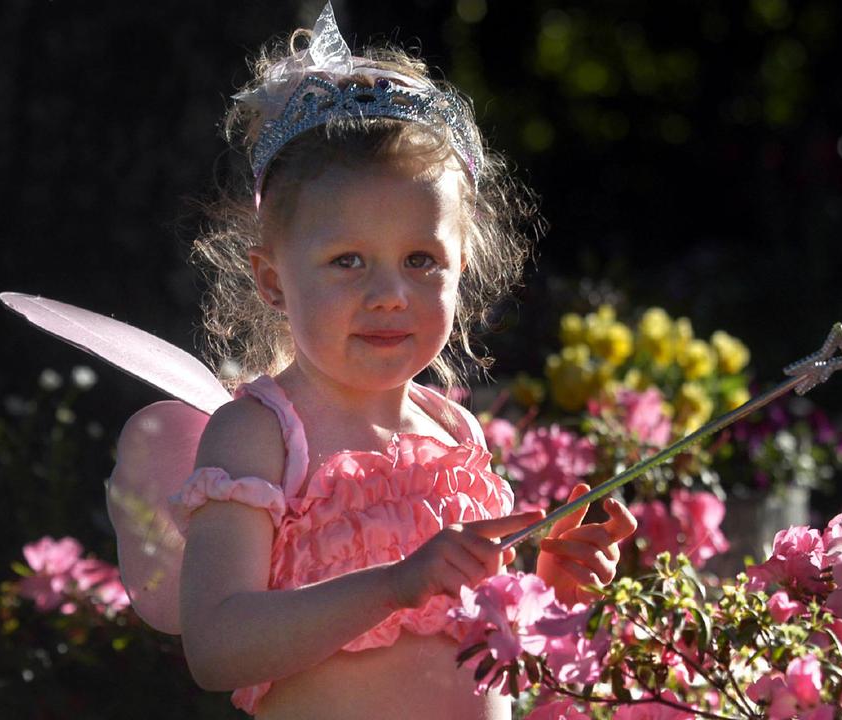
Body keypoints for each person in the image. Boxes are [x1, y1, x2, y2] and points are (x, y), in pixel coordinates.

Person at [111, 5, 637, 718]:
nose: (390, 295)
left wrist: (553, 591)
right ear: (273, 279)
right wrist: (392, 586)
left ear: (462, 268)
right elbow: (217, 646)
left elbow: (484, 654)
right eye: (347, 261)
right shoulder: (259, 434)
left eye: (422, 260)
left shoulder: (455, 435)